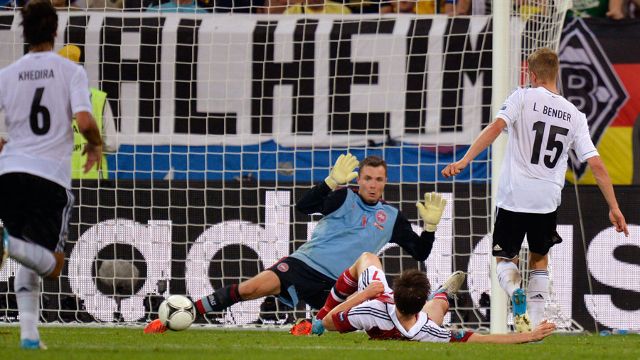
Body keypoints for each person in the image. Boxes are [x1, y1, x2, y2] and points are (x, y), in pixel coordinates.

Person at [144, 154, 447, 333]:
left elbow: (420, 252)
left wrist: (431, 227)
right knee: (251, 288)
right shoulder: (344, 197)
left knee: (353, 327)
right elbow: (305, 207)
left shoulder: (391, 217)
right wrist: (330, 182)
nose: (372, 184)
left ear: (385, 182)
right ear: (359, 180)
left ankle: (311, 325)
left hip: (341, 284)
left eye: (378, 180)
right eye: (367, 178)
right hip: (305, 264)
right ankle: (189, 313)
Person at [441, 48, 629, 332]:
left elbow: (495, 128)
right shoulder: (574, 115)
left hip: (515, 196)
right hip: (546, 200)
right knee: (540, 258)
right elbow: (597, 164)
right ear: (556, 74)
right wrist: (614, 207)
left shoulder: (522, 96)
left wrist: (465, 160)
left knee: (506, 258)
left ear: (531, 74)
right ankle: (535, 323)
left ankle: (515, 292)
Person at [0, 0, 102, 349]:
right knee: (53, 266)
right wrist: (96, 144)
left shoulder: (7, 74)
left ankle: (29, 335)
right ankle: (6, 244)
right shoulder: (70, 71)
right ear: (55, 31)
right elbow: (85, 121)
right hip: (49, 177)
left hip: (9, 173)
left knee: (29, 252)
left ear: (23, 32)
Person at [320, 252, 557, 343]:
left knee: (367, 258)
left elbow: (328, 321)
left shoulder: (371, 309)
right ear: (419, 305)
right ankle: (443, 294)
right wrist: (528, 336)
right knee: (439, 308)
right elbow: (483, 339)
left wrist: (365, 294)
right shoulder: (428, 330)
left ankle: (443, 294)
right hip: (402, 310)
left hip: (375, 292)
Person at [58, 44, 117, 180]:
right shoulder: (99, 99)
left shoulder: (50, 102)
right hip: (93, 181)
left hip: (60, 182)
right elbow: (112, 144)